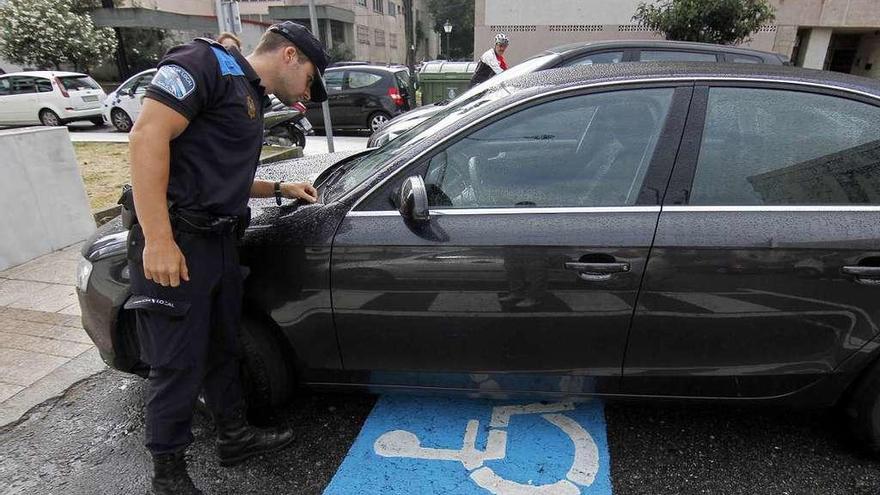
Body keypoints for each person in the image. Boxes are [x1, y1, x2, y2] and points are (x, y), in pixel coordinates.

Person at [127, 21, 327, 494]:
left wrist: (277, 187)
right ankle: (168, 476)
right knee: (177, 363)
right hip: (177, 241)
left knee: (223, 347)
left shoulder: (248, 91)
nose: (307, 92)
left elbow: (211, 168)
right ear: (290, 55)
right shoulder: (204, 64)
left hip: (218, 241)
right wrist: (158, 239)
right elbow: (146, 138)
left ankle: (234, 437)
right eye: (311, 78)